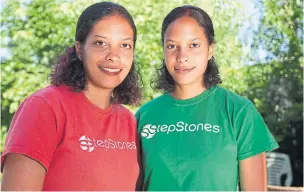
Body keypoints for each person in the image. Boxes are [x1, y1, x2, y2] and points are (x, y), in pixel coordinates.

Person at [135, 5, 279, 191]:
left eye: (193, 45)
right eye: (172, 46)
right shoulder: (145, 115)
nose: (182, 57)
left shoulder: (239, 111)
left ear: (210, 49)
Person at [1, 2, 141, 191]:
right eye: (100, 43)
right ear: (79, 49)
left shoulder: (129, 121)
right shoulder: (45, 107)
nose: (114, 56)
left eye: (125, 45)